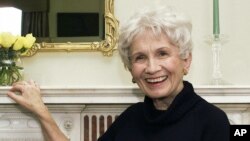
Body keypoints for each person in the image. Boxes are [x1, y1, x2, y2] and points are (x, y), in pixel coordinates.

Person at [7, 6, 230, 141]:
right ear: (131, 69)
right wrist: (41, 111)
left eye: (162, 53)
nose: (152, 68)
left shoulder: (212, 122)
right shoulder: (131, 119)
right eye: (140, 57)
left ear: (186, 60)